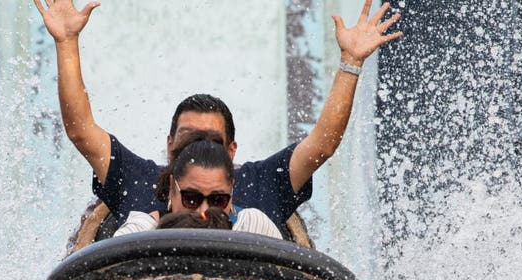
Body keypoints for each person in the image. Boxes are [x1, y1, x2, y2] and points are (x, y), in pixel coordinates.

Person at [32, 0, 402, 231]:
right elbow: (82, 133)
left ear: (232, 150)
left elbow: (321, 145)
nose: (204, 208)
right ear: (169, 144)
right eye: (189, 138)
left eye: (211, 141)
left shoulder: (259, 186)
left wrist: (351, 63)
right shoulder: (139, 180)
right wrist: (66, 44)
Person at [113, 140, 283, 239]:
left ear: (231, 192)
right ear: (172, 188)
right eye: (192, 198)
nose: (204, 210)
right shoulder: (141, 232)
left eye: (217, 200)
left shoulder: (252, 226)